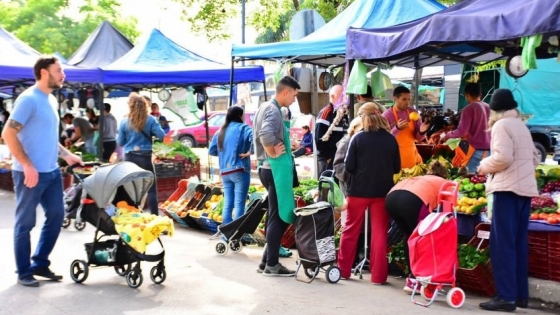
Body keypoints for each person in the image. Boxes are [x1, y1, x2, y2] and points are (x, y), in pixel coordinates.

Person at [1, 56, 82, 287]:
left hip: (51, 172)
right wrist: (26, 165)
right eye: (59, 70)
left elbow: (48, 138)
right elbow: (8, 134)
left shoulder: (51, 101)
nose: (63, 75)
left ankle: (40, 264)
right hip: (28, 174)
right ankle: (24, 272)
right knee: (25, 224)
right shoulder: (28, 100)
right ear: (44, 72)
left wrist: (67, 155)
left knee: (56, 217)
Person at [477, 89, 540, 312]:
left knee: (502, 244)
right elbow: (535, 157)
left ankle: (505, 297)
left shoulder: (501, 126)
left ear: (494, 110)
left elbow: (503, 157)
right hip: (525, 191)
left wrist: (484, 166)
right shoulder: (521, 125)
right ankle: (519, 295)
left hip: (507, 191)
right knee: (517, 243)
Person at [338, 103, 400, 284]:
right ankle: (379, 276)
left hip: (358, 191)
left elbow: (348, 167)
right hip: (382, 192)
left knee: (350, 230)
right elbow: (397, 168)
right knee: (380, 232)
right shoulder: (391, 139)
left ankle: (343, 271)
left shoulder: (358, 138)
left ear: (363, 118)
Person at [253, 75, 300, 276]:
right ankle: (272, 264)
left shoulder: (265, 107)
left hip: (267, 169)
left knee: (274, 216)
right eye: (294, 96)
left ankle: (265, 262)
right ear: (286, 92)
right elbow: (265, 134)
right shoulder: (273, 110)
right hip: (274, 170)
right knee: (279, 219)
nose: (294, 100)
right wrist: (273, 152)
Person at [385, 160, 449, 294]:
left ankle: (412, 277)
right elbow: (447, 212)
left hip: (392, 198)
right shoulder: (445, 183)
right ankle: (417, 280)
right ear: (444, 175)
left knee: (409, 237)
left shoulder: (423, 178)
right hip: (412, 201)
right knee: (422, 240)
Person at [117, 93, 165, 216]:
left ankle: (130, 217)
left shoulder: (124, 121)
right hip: (145, 158)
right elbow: (161, 135)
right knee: (151, 190)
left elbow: (120, 142)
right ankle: (155, 218)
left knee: (129, 189)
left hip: (129, 158)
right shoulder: (150, 120)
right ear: (145, 106)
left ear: (130, 106)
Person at [209, 105, 253, 225]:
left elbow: (212, 150)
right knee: (239, 204)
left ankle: (226, 234)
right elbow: (256, 138)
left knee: (228, 203)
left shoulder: (220, 131)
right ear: (240, 115)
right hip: (240, 170)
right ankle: (235, 235)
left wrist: (225, 153)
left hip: (224, 172)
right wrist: (250, 152)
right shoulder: (244, 128)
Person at [441, 83, 491, 173]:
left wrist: (448, 135)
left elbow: (462, 131)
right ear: (480, 94)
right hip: (490, 150)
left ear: (467, 95)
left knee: (472, 178)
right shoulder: (489, 107)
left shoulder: (469, 109)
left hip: (476, 150)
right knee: (485, 178)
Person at [382, 86, 429, 169]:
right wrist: (397, 129)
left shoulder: (413, 112)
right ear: (395, 99)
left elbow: (418, 138)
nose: (407, 102)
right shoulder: (386, 116)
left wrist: (422, 131)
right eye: (404, 99)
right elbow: (383, 140)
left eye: (408, 99)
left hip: (412, 158)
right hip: (395, 159)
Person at [315, 84, 349, 178]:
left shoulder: (344, 112)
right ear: (333, 96)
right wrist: (328, 157)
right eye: (342, 95)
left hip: (342, 158)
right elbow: (319, 138)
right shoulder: (326, 113)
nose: (345, 98)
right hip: (329, 159)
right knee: (327, 186)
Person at [333, 117, 363, 196]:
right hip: (348, 182)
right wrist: (350, 178)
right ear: (354, 128)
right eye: (362, 129)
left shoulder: (358, 140)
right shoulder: (347, 141)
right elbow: (338, 165)